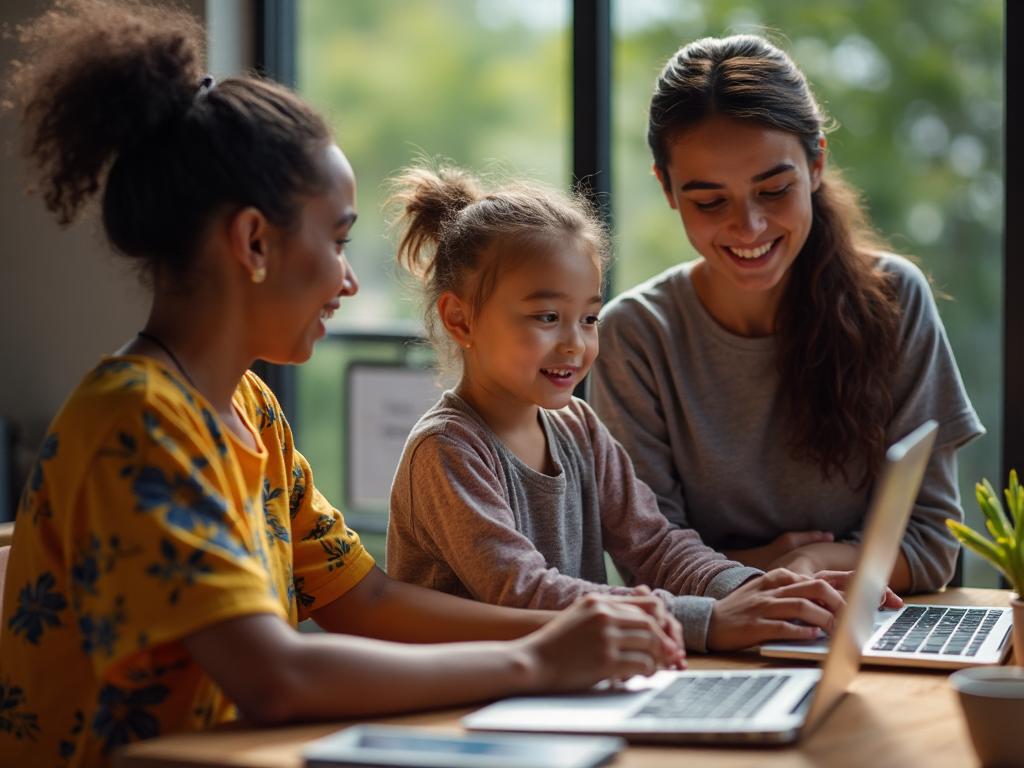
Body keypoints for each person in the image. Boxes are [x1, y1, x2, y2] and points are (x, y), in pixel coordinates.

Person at [0, 3, 685, 765]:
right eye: (337, 240)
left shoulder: (250, 410)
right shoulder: (136, 421)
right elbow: (275, 676)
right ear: (254, 242)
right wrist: (541, 661)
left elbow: (368, 601)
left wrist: (582, 631)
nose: (350, 282)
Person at [384, 164, 881, 657]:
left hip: (563, 689)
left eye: (589, 318)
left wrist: (762, 592)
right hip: (467, 707)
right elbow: (525, 592)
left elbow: (656, 547)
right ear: (460, 319)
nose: (575, 344)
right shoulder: (448, 451)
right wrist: (707, 621)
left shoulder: (577, 427)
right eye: (548, 317)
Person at [589, 34, 984, 594]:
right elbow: (646, 561)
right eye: (709, 202)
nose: (748, 228)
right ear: (668, 189)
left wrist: (813, 561)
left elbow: (931, 543)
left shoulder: (893, 298)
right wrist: (777, 566)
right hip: (713, 647)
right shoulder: (635, 336)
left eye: (774, 190)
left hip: (869, 622)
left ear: (816, 163)